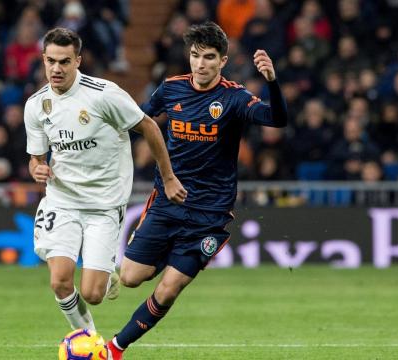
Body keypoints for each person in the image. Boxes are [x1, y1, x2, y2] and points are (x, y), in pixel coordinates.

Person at [106, 21, 288, 359]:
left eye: (208, 57)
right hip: (167, 202)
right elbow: (139, 121)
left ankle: (116, 348)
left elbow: (276, 119)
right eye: (194, 56)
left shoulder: (234, 98)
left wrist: (272, 83)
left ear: (222, 60)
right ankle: (165, 254)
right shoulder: (171, 89)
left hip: (209, 214)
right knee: (130, 278)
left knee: (169, 289)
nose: (200, 64)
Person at [24, 28, 186, 332]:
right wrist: (36, 168)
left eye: (64, 61)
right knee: (60, 281)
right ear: (43, 60)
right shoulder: (35, 105)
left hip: (104, 205)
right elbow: (36, 158)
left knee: (93, 294)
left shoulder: (103, 95)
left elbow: (149, 126)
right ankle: (89, 340)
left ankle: (106, 272)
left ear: (78, 61)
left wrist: (168, 177)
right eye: (51, 61)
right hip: (62, 201)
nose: (56, 69)